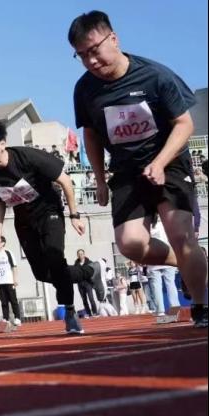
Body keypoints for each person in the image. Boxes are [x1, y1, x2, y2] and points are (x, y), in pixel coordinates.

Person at [69, 10, 207, 327]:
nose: (91, 61)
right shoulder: (85, 89)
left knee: (180, 234)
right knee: (131, 244)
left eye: (94, 50)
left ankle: (202, 305)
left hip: (169, 163)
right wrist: (100, 180)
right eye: (82, 55)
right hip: (127, 171)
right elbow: (90, 135)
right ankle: (185, 262)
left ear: (113, 39)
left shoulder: (155, 76)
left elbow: (184, 124)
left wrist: (160, 162)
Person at [0, 121, 94, 334]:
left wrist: (74, 215)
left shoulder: (27, 157)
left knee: (55, 260)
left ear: (2, 144)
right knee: (42, 274)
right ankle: (91, 271)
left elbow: (65, 181)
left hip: (49, 212)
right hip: (24, 221)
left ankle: (70, 313)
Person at [0, 236, 21, 325]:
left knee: (13, 300)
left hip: (9, 281)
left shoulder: (8, 253)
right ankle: (6, 318)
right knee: (3, 302)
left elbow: (14, 267)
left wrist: (15, 279)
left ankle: (17, 318)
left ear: (3, 243)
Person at [74, 249, 98, 317]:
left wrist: (93, 281)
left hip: (88, 283)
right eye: (79, 254)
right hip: (80, 284)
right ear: (77, 255)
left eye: (81, 254)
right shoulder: (76, 264)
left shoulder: (89, 262)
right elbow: (75, 273)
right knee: (84, 300)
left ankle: (95, 312)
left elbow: (94, 272)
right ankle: (88, 313)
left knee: (91, 298)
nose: (80, 255)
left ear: (84, 254)